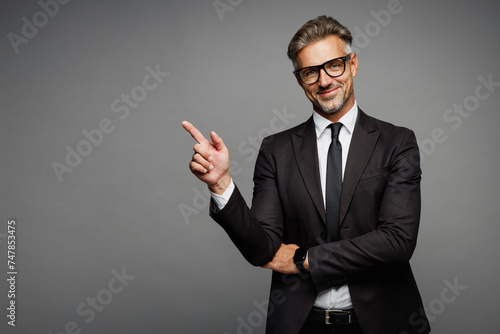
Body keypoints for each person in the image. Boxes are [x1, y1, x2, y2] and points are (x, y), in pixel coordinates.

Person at [182, 15, 430, 334]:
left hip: (385, 323)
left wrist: (305, 260)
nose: (324, 81)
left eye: (334, 65)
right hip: (302, 326)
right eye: (311, 72)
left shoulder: (397, 142)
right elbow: (263, 249)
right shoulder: (276, 149)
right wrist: (221, 183)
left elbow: (397, 241)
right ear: (300, 80)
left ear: (352, 63)